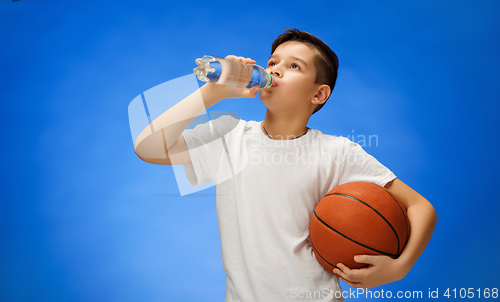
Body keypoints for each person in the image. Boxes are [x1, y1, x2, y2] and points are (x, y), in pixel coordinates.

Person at [134, 29, 437, 301]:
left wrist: (400, 268)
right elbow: (147, 147)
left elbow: (420, 207)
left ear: (318, 94)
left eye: (294, 66)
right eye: (273, 63)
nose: (276, 70)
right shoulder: (230, 136)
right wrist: (210, 94)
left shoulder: (338, 152)